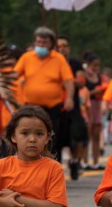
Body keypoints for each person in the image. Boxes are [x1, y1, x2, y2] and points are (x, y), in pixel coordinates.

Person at [14, 28, 74, 162]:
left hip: (52, 107)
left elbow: (68, 81)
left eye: (44, 42)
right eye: (38, 42)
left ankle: (52, 166)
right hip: (30, 107)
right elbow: (13, 76)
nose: (41, 45)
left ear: (51, 44)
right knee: (30, 136)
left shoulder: (58, 59)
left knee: (51, 137)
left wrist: (69, 98)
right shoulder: (27, 57)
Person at [56, 35, 88, 179]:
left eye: (65, 46)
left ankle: (75, 161)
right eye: (59, 46)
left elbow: (81, 82)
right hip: (56, 106)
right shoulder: (52, 62)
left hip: (72, 106)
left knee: (79, 135)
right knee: (57, 138)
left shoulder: (75, 63)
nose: (62, 49)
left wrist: (66, 80)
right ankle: (55, 167)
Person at [82, 52, 108, 170]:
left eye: (98, 65)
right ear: (88, 64)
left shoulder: (100, 77)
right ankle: (85, 160)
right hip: (88, 105)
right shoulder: (84, 76)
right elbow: (82, 93)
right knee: (87, 134)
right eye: (94, 65)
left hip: (97, 105)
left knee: (96, 135)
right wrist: (93, 92)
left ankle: (96, 161)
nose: (96, 68)